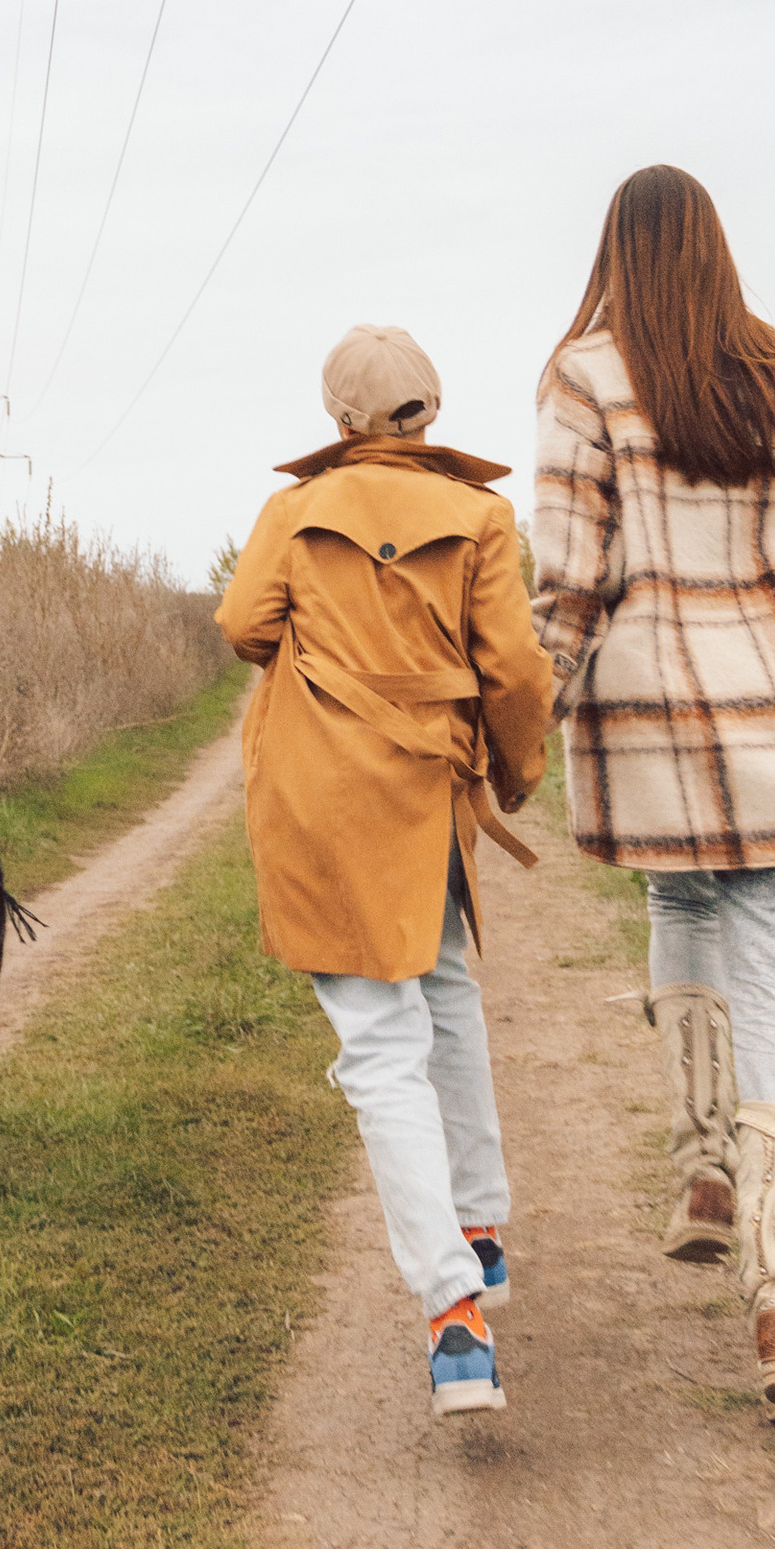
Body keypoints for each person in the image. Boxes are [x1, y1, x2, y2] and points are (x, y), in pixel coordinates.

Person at [532, 164, 775, 1431]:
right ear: (714, 250)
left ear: (616, 252)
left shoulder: (584, 375)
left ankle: (703, 1164)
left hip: (654, 720)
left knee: (679, 897)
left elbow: (566, 580)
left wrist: (519, 724)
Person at [217, 324, 551, 1422]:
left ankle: (452, 1315)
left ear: (338, 419)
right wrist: (515, 772)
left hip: (320, 797)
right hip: (430, 795)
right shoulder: (482, 517)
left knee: (377, 1044)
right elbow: (511, 668)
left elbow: (242, 624)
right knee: (447, 986)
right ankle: (481, 1228)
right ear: (430, 406)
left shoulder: (292, 512)